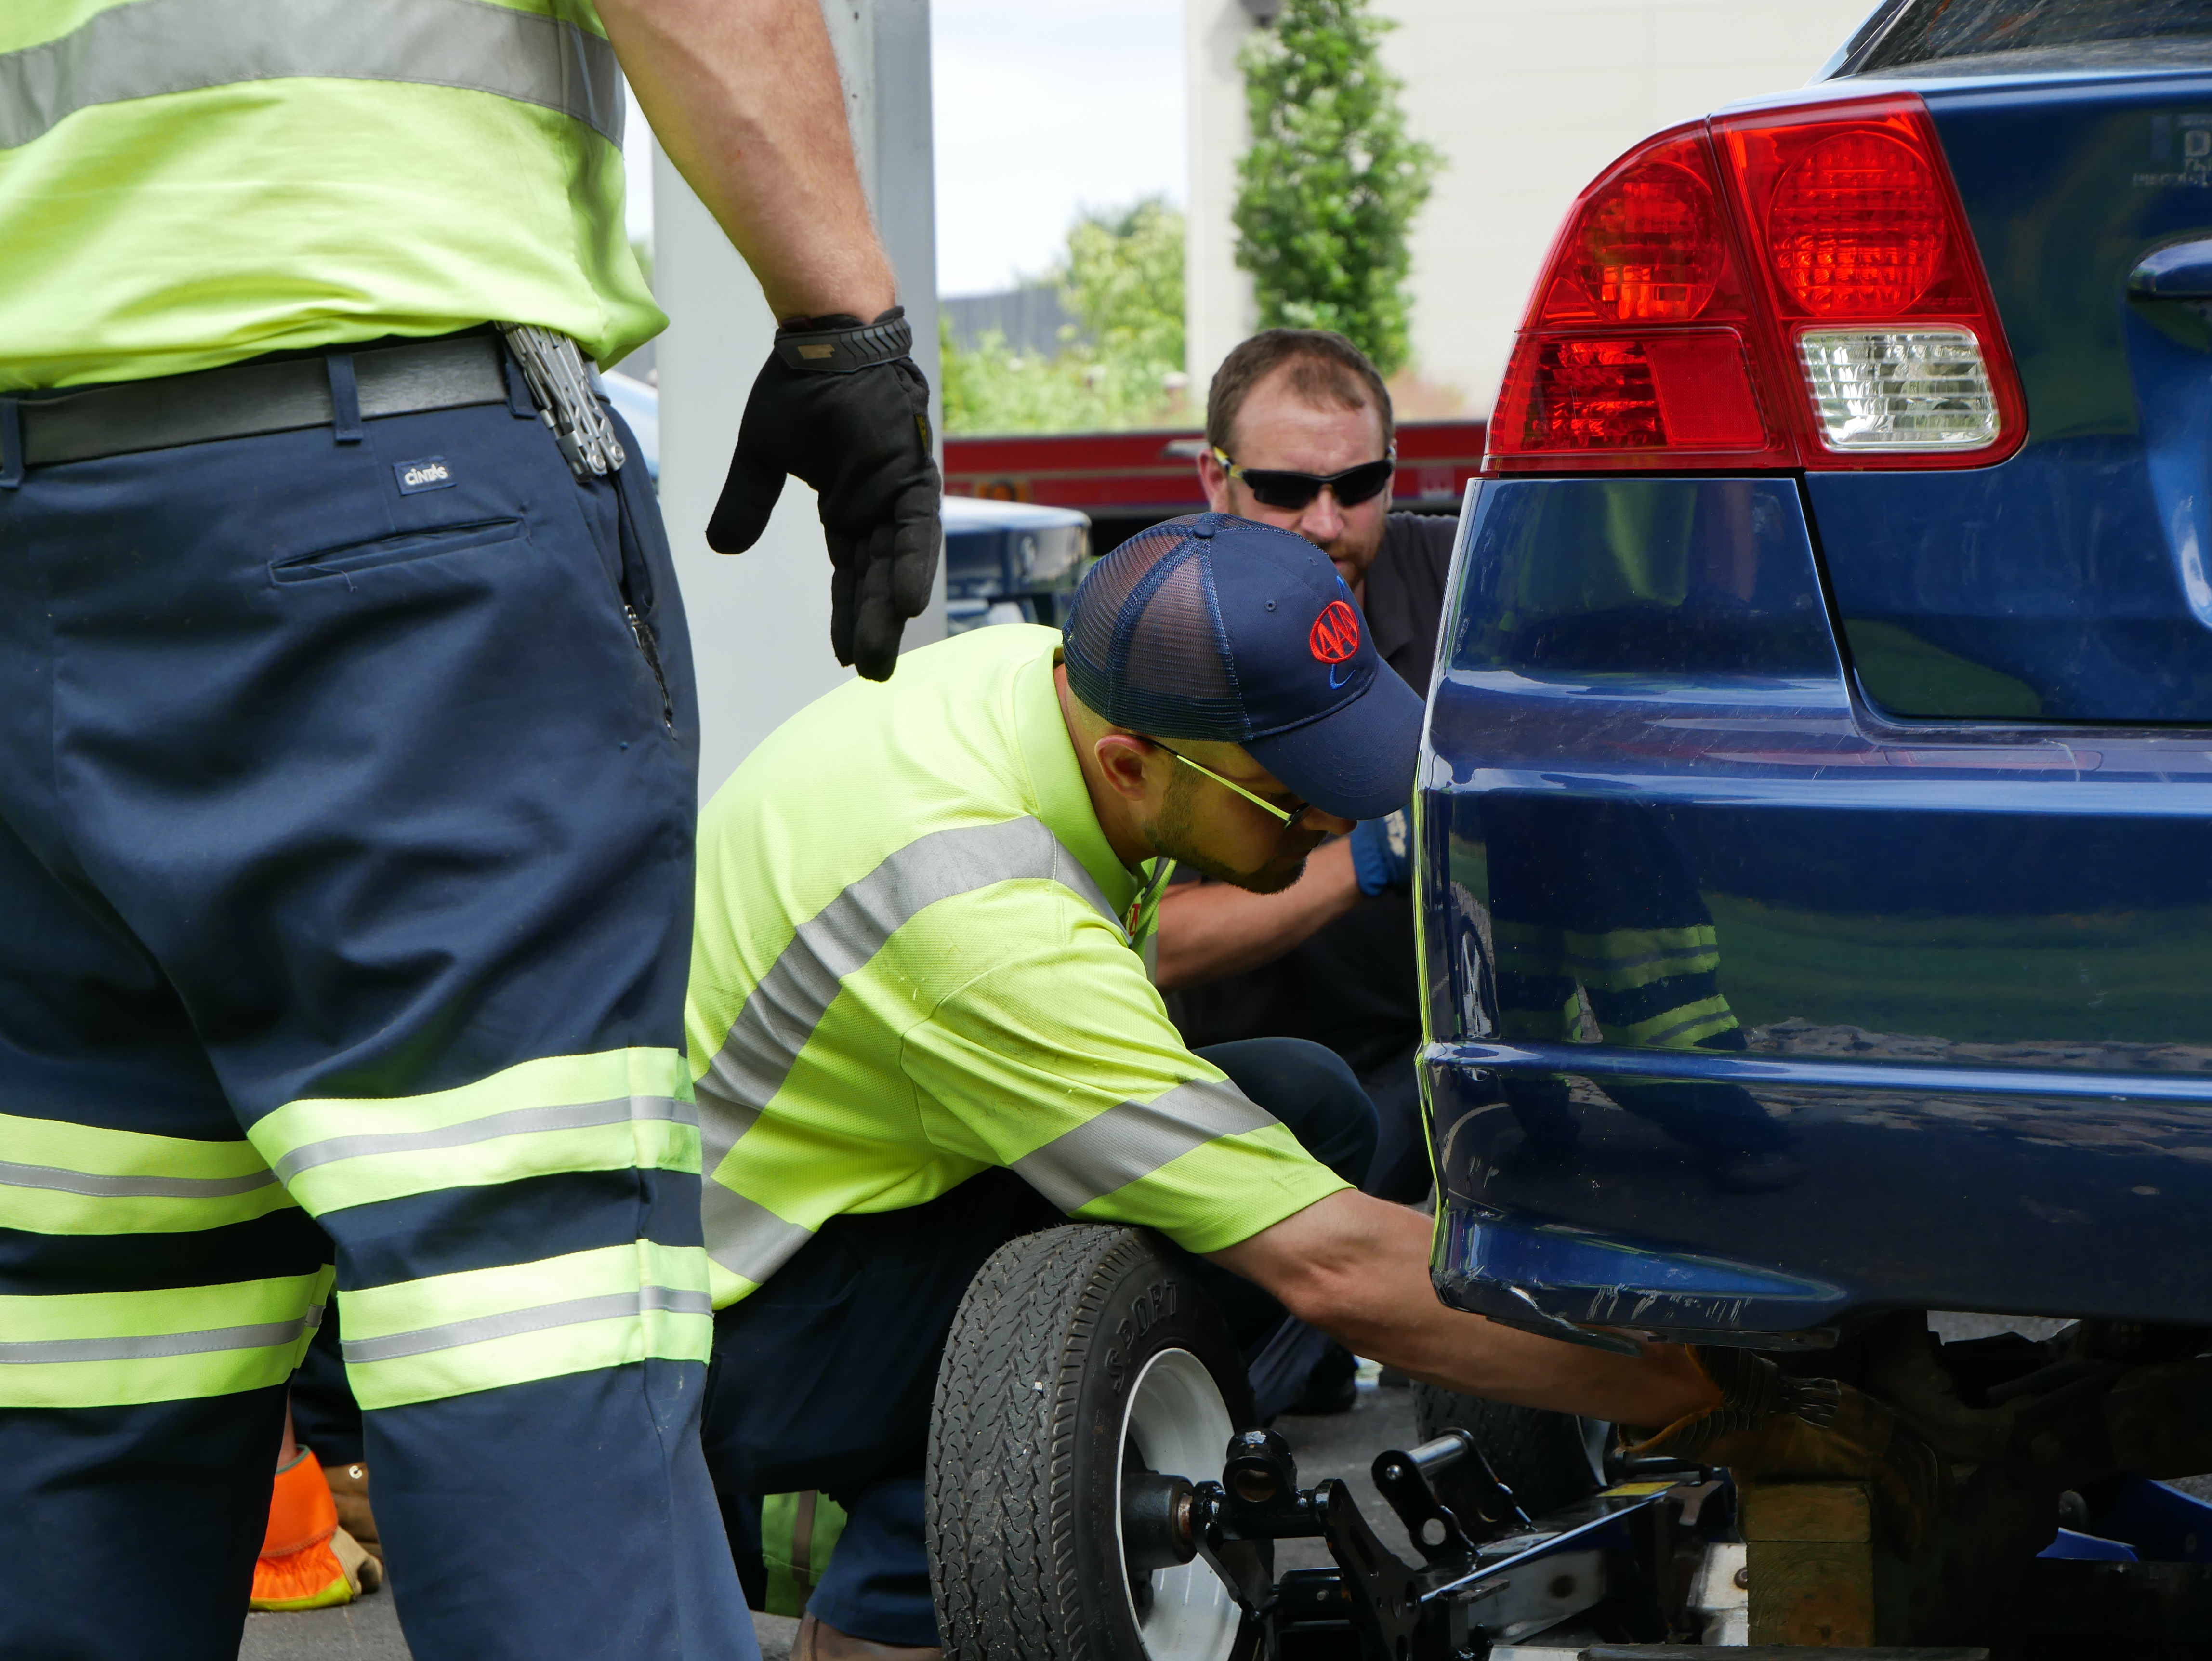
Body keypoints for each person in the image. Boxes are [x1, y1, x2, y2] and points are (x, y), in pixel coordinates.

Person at [0, 3, 936, 1659]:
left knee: (75, 1368)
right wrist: (841, 323)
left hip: (35, 567)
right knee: (525, 1322)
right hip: (380, 530)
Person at [684, 513, 1725, 1660]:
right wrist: (1694, 1388)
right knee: (1165, 1257)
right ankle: (897, 1601)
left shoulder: (1031, 683)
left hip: (832, 1205)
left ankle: (955, 1518)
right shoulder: (978, 913)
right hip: (723, 1334)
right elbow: (1334, 1265)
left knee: (1301, 1099)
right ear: (1131, 763)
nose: (1335, 817)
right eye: (1294, 793)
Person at [1156, 330, 1452, 1214]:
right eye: (1286, 490)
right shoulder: (1157, 644)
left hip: (1431, 1043)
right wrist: (1363, 858)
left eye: (1358, 487)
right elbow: (1152, 944)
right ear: (1217, 480)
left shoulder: (1461, 582)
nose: (1326, 522)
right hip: (1241, 1068)